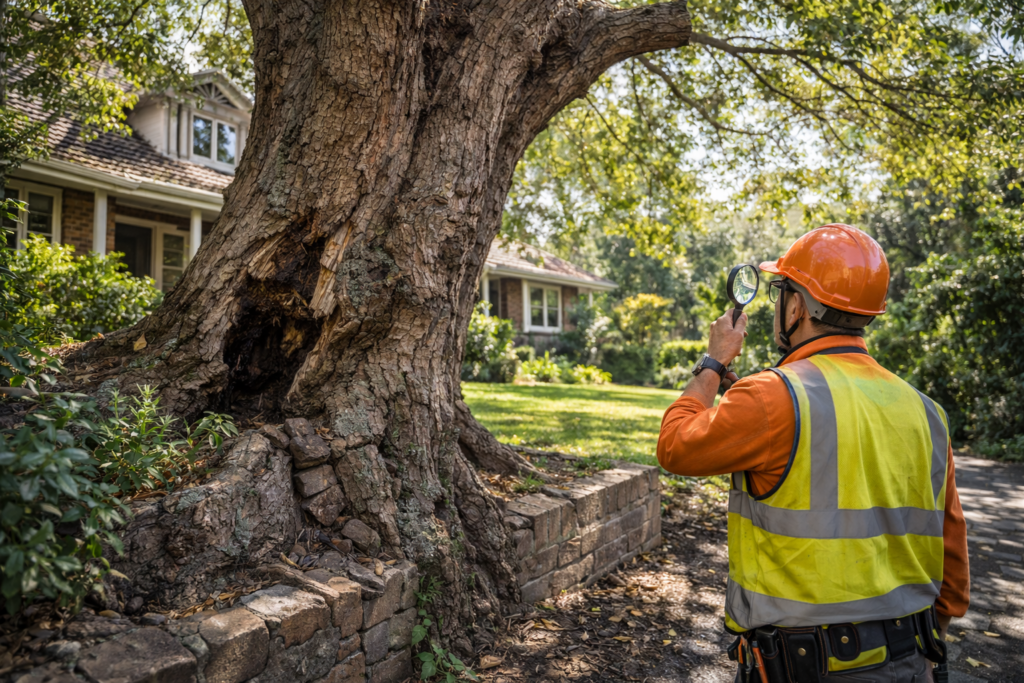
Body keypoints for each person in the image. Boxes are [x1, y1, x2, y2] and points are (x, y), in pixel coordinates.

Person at [657, 224, 969, 683]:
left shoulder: (768, 396)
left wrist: (714, 362)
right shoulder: (926, 411)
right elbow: (951, 542)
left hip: (800, 667)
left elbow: (674, 447)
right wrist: (927, 645)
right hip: (910, 658)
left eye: (781, 291)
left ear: (797, 306)